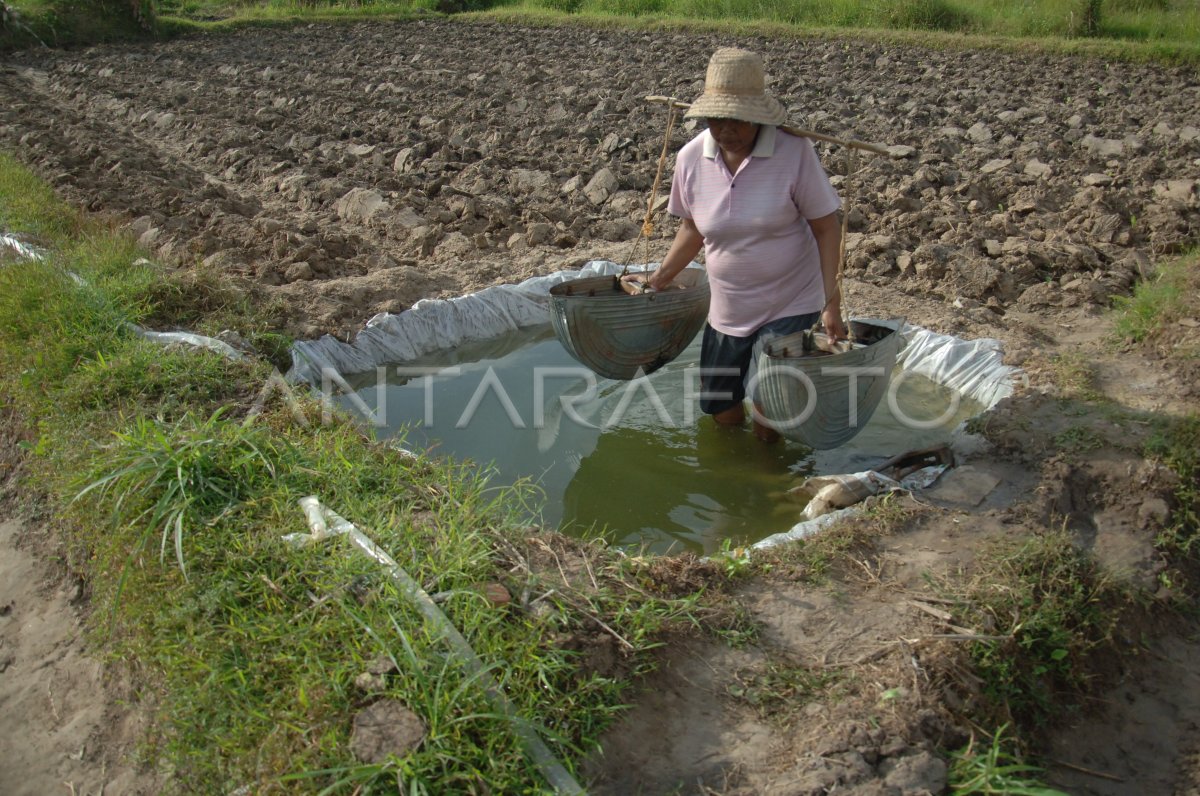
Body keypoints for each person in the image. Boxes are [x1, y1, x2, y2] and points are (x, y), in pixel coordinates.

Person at [624, 47, 845, 442]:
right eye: (716, 119)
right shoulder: (691, 158)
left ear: (759, 116)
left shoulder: (794, 153)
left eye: (738, 119)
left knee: (770, 401)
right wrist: (658, 279)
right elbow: (693, 229)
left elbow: (827, 228)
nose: (726, 129)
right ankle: (729, 470)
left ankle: (765, 474)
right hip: (729, 306)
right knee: (720, 405)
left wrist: (832, 301)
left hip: (790, 301)